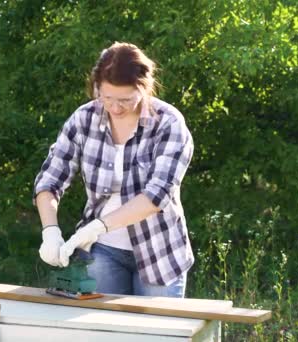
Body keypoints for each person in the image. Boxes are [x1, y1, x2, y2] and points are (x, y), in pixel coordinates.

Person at [33, 42, 194, 297]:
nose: (115, 108)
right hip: (102, 253)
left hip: (159, 253)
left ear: (144, 88)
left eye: (125, 100)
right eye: (107, 98)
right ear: (97, 88)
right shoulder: (84, 119)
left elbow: (157, 195)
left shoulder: (169, 123)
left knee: (158, 334)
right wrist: (50, 231)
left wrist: (97, 226)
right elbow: (50, 180)